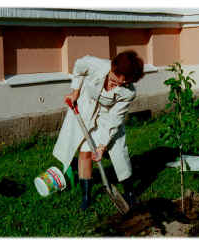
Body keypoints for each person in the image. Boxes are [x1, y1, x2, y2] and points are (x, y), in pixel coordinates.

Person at [52, 50, 144, 211]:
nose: (119, 84)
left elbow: (114, 119)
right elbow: (79, 68)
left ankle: (129, 193)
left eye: (125, 82)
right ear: (113, 69)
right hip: (87, 108)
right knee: (85, 151)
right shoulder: (96, 65)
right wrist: (75, 91)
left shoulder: (129, 92)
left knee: (119, 154)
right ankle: (86, 196)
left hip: (107, 117)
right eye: (116, 80)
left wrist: (102, 146)